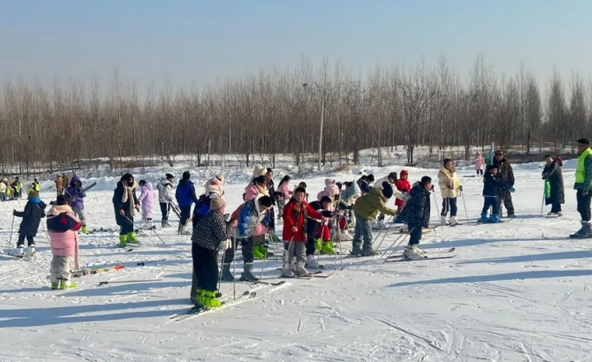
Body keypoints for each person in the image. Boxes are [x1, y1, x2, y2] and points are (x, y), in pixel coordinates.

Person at [191, 197, 231, 310]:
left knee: (202, 273)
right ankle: (210, 299)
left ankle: (201, 298)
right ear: (220, 208)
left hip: (197, 246)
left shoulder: (210, 216)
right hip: (206, 248)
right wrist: (231, 226)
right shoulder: (216, 218)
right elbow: (223, 236)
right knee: (212, 274)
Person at [282, 187, 326, 277]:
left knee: (301, 251)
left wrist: (321, 216)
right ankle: (286, 270)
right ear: (295, 195)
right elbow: (286, 216)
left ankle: (300, 268)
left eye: (301, 195)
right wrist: (292, 226)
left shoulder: (304, 205)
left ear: (304, 196)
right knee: (289, 252)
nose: (299, 197)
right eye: (298, 195)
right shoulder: (290, 205)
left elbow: (312, 213)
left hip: (301, 233)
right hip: (290, 233)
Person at [351, 181, 397, 256]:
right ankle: (367, 249)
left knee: (359, 232)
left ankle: (356, 249)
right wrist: (395, 212)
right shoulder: (377, 198)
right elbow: (383, 208)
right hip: (363, 214)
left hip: (358, 211)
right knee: (367, 233)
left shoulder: (375, 193)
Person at [235, 195, 273, 281]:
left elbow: (263, 217)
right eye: (263, 207)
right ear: (259, 203)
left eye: (266, 208)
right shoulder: (249, 208)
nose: (263, 210)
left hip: (248, 232)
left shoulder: (264, 209)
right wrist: (243, 236)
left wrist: (267, 223)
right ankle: (224, 272)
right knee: (230, 251)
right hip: (236, 231)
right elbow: (243, 221)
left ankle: (247, 273)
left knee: (249, 253)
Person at [47, 195, 81, 290]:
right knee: (65, 262)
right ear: (66, 203)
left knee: (56, 261)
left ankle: (54, 282)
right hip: (66, 242)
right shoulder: (67, 213)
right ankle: (65, 282)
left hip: (55, 242)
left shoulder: (50, 213)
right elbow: (77, 225)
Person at [400, 176, 433, 260]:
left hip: (412, 217)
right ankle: (411, 251)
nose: (431, 185)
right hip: (415, 218)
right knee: (416, 235)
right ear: (426, 184)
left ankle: (410, 248)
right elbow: (420, 208)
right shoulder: (421, 194)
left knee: (414, 234)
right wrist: (420, 220)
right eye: (429, 184)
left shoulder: (418, 190)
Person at [13, 190, 47, 256]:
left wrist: (16, 213)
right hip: (35, 224)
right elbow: (43, 215)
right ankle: (32, 249)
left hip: (27, 222)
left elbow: (26, 213)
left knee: (22, 235)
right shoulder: (40, 204)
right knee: (30, 236)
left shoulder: (30, 203)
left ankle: (19, 251)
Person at [244, 175, 270, 259]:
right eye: (263, 183)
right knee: (256, 231)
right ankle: (255, 249)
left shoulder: (263, 189)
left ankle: (261, 247)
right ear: (259, 183)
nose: (264, 185)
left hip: (263, 211)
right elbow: (250, 200)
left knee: (262, 231)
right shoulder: (251, 189)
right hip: (254, 213)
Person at [305, 196, 335, 267]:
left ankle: (308, 258)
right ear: (324, 202)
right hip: (308, 225)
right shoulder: (316, 205)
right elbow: (320, 212)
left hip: (313, 225)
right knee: (310, 241)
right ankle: (309, 259)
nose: (328, 206)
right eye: (328, 204)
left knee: (311, 240)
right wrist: (331, 214)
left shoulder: (319, 205)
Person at [572, 138, 592, 238]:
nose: (578, 147)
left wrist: (586, 187)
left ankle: (588, 229)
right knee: (581, 206)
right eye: (578, 145)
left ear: (586, 146)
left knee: (584, 206)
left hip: (586, 185)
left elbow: (589, 173)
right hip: (580, 184)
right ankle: (586, 227)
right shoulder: (582, 155)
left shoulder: (588, 155)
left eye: (580, 145)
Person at [113, 173, 140, 247]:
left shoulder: (132, 188)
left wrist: (137, 203)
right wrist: (120, 208)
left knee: (130, 223)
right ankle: (123, 239)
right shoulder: (119, 189)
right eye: (129, 180)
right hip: (121, 209)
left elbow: (134, 196)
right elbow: (116, 201)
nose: (131, 182)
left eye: (132, 180)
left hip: (129, 208)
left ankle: (131, 237)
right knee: (124, 224)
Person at [438, 159, 462, 226]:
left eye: (451, 164)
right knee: (446, 207)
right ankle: (443, 218)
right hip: (446, 192)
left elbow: (456, 180)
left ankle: (453, 218)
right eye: (448, 164)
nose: (449, 166)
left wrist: (459, 185)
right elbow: (440, 183)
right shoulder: (442, 172)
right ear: (445, 165)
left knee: (454, 205)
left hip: (453, 192)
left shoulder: (454, 172)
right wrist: (446, 185)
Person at [493, 150, 516, 218]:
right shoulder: (492, 164)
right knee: (497, 200)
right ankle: (497, 212)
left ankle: (510, 212)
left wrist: (511, 183)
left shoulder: (506, 163)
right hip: (496, 185)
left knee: (507, 199)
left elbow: (510, 173)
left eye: (500, 155)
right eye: (497, 156)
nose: (499, 157)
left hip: (506, 184)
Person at [175, 171, 199, 235]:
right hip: (187, 202)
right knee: (186, 216)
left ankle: (180, 229)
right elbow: (192, 195)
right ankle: (183, 230)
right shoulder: (190, 185)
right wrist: (197, 202)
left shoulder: (179, 184)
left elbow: (176, 194)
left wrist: (179, 200)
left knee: (183, 214)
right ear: (189, 176)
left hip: (181, 202)